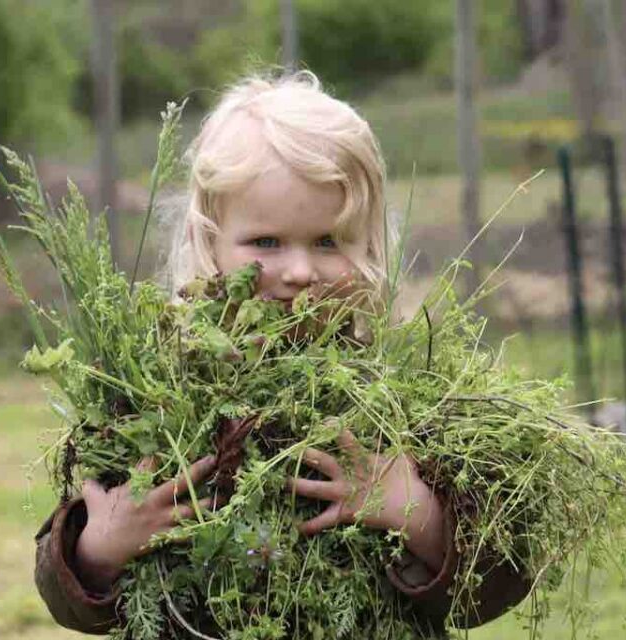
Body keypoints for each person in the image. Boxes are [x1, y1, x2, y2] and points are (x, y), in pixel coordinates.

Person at [34, 71, 530, 636]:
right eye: (266, 242)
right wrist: (98, 549)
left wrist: (414, 509)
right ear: (209, 242)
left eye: (327, 241)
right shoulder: (155, 396)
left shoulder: (403, 391)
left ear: (367, 245)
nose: (298, 272)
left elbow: (500, 579)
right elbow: (65, 590)